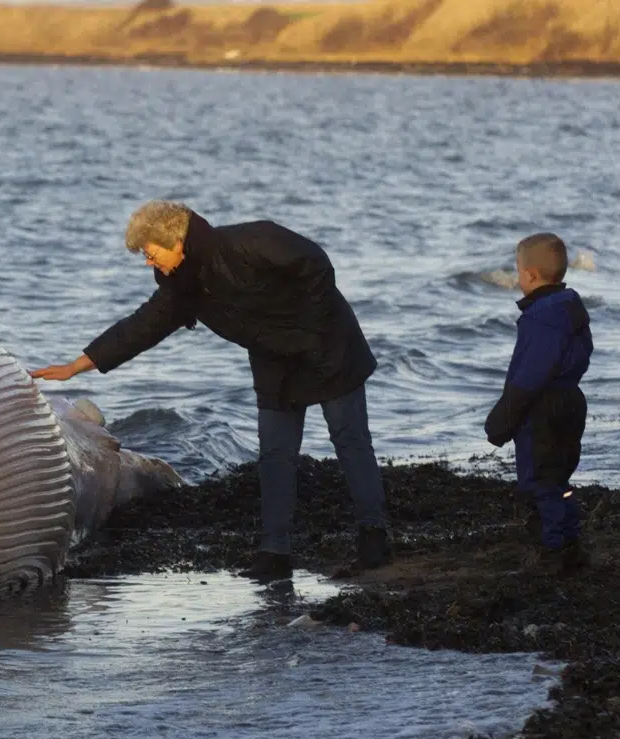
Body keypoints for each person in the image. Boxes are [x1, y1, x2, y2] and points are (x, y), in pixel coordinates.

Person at [30, 200, 390, 581]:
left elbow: (316, 263)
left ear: (176, 241)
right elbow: (140, 328)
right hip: (274, 361)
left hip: (328, 347)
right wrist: (77, 365)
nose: (149, 263)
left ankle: (374, 538)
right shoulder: (181, 287)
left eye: (151, 254)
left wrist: (312, 330)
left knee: (350, 441)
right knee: (275, 455)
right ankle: (275, 553)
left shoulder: (250, 241)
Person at [485, 233, 593, 575]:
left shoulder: (540, 317)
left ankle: (552, 551)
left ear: (531, 275)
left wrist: (502, 419)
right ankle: (569, 544)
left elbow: (529, 373)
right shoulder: (569, 306)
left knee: (540, 481)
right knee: (559, 477)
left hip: (543, 408)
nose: (517, 278)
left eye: (518, 271)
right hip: (571, 400)